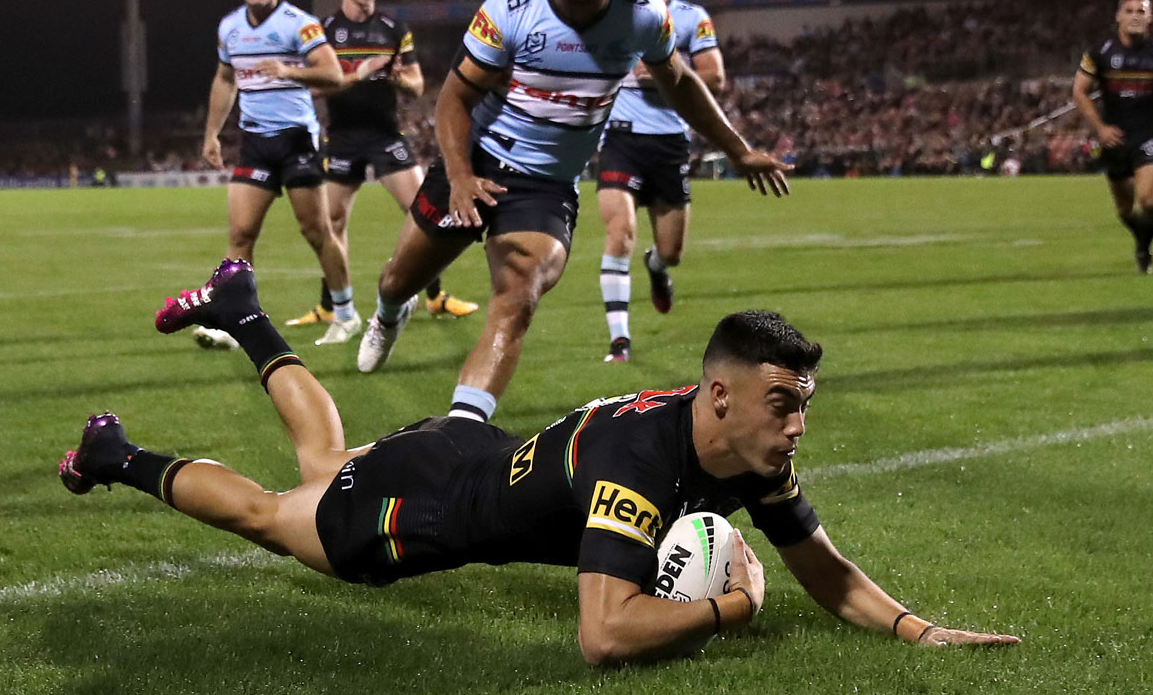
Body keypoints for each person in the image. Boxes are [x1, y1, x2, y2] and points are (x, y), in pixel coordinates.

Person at [58, 259, 1020, 664]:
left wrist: (919, 631)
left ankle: (243, 308)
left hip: (472, 448)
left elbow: (823, 565)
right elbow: (603, 636)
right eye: (782, 402)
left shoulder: (745, 451)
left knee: (324, 454)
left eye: (802, 404)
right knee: (277, 512)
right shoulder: (639, 462)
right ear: (720, 394)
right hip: (425, 506)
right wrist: (731, 604)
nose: (796, 424)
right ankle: (118, 454)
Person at [354, 0, 791, 425]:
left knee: (520, 293)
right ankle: (389, 314)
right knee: (395, 281)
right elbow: (453, 96)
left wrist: (739, 150)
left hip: (546, 185)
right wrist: (460, 175)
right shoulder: (510, 10)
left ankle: (461, 430)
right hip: (477, 160)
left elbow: (680, 82)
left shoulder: (642, 14)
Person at [285, 0, 480, 345]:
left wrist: (394, 75)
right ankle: (329, 305)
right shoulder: (324, 30)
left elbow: (417, 84)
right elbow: (316, 86)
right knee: (332, 223)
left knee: (424, 211)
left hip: (386, 136)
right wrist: (359, 74)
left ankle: (435, 297)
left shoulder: (393, 27)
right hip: (341, 136)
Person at [196, 0, 346, 350]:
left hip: (297, 139)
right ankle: (237, 323)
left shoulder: (300, 23)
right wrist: (211, 133)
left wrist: (287, 70)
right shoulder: (230, 28)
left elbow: (333, 74)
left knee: (316, 231)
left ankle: (347, 315)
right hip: (255, 141)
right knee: (241, 233)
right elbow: (226, 79)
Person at [594, 0, 725, 363]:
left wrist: (669, 73)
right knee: (619, 233)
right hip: (620, 138)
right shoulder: (608, 13)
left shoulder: (691, 17)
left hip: (669, 143)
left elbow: (715, 77)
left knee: (672, 251)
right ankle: (619, 341)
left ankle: (656, 267)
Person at [1073, 0, 1153, 274]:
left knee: (1149, 200)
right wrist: (1100, 128)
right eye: (1130, 11)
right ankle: (1142, 240)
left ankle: (1144, 250)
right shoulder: (1101, 52)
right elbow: (1080, 91)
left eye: (1141, 11)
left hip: (1148, 134)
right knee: (1125, 210)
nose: (1135, 16)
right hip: (1115, 139)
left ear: (1149, 18)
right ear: (1118, 17)